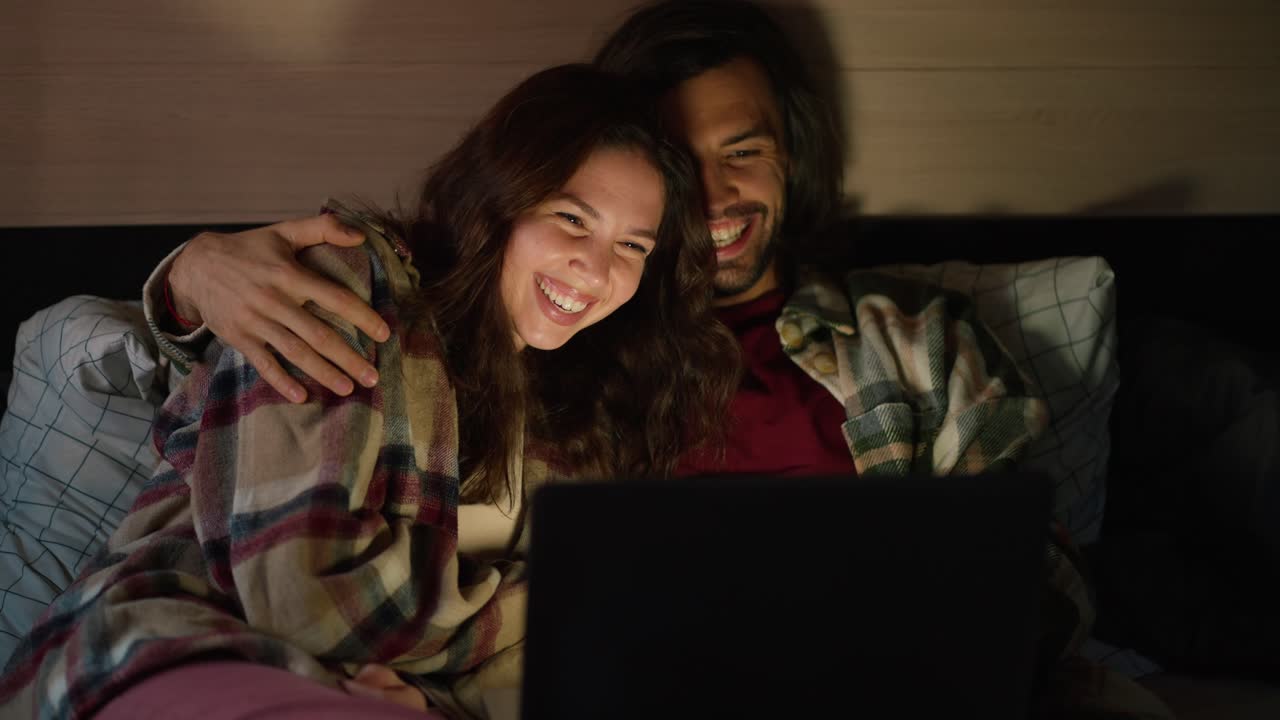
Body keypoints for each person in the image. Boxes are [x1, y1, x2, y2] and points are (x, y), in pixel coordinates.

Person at [99, 1, 1176, 716]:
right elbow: (385, 586)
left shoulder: (897, 340)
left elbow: (1034, 568)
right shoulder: (521, 341)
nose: (713, 197)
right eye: (588, 210)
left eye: (742, 153)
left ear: (792, 160)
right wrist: (190, 271)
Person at [0, 63, 736, 719]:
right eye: (571, 219)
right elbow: (306, 590)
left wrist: (444, 695)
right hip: (195, 647)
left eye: (631, 247)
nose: (595, 269)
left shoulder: (591, 415)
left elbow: (547, 668)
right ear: (499, 203)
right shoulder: (352, 283)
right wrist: (559, 598)